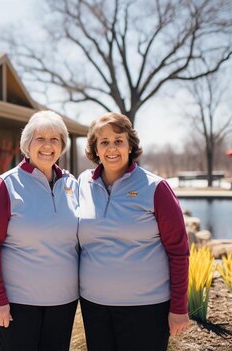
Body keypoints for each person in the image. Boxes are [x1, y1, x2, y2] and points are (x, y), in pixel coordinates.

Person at [77, 112, 190, 351]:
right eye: (104, 142)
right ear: (95, 149)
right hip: (94, 307)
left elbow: (179, 252)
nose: (112, 148)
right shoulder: (83, 184)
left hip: (146, 309)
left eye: (118, 141)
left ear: (130, 145)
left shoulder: (155, 188)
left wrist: (178, 308)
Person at [0, 110, 79, 351]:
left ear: (62, 146)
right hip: (17, 304)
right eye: (40, 139)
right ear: (27, 145)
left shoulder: (72, 185)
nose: (47, 145)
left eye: (54, 139)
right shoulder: (6, 184)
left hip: (63, 303)